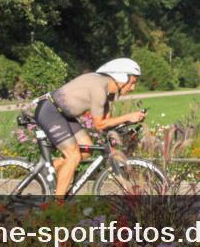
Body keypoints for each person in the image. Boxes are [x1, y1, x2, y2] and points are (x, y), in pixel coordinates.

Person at [34, 58, 146, 198]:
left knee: (86, 150)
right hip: (50, 112)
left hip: (64, 115)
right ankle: (56, 205)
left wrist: (126, 124)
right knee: (73, 156)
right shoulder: (99, 89)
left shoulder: (108, 91)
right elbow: (99, 124)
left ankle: (50, 169)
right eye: (132, 83)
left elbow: (106, 122)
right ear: (121, 77)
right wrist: (128, 116)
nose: (133, 88)